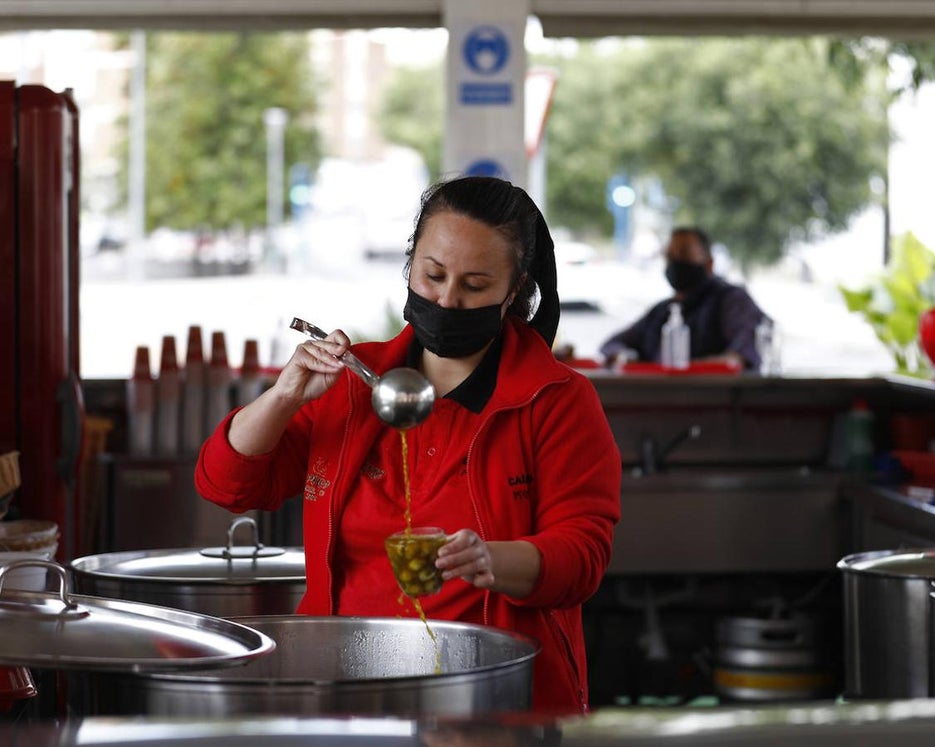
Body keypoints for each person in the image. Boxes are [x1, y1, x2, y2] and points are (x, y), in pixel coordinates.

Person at [194, 176, 622, 714]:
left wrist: (494, 559)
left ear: (513, 292)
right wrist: (282, 397)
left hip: (495, 697)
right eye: (433, 275)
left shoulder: (555, 400)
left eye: (475, 284)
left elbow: (582, 555)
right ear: (409, 265)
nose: (447, 299)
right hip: (343, 689)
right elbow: (225, 484)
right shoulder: (352, 384)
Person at [599, 226, 770, 370]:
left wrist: (686, 371)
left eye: (683, 254)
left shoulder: (731, 301)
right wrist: (626, 357)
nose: (675, 262)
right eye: (670, 256)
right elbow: (612, 344)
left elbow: (741, 356)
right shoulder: (662, 310)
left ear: (709, 263)